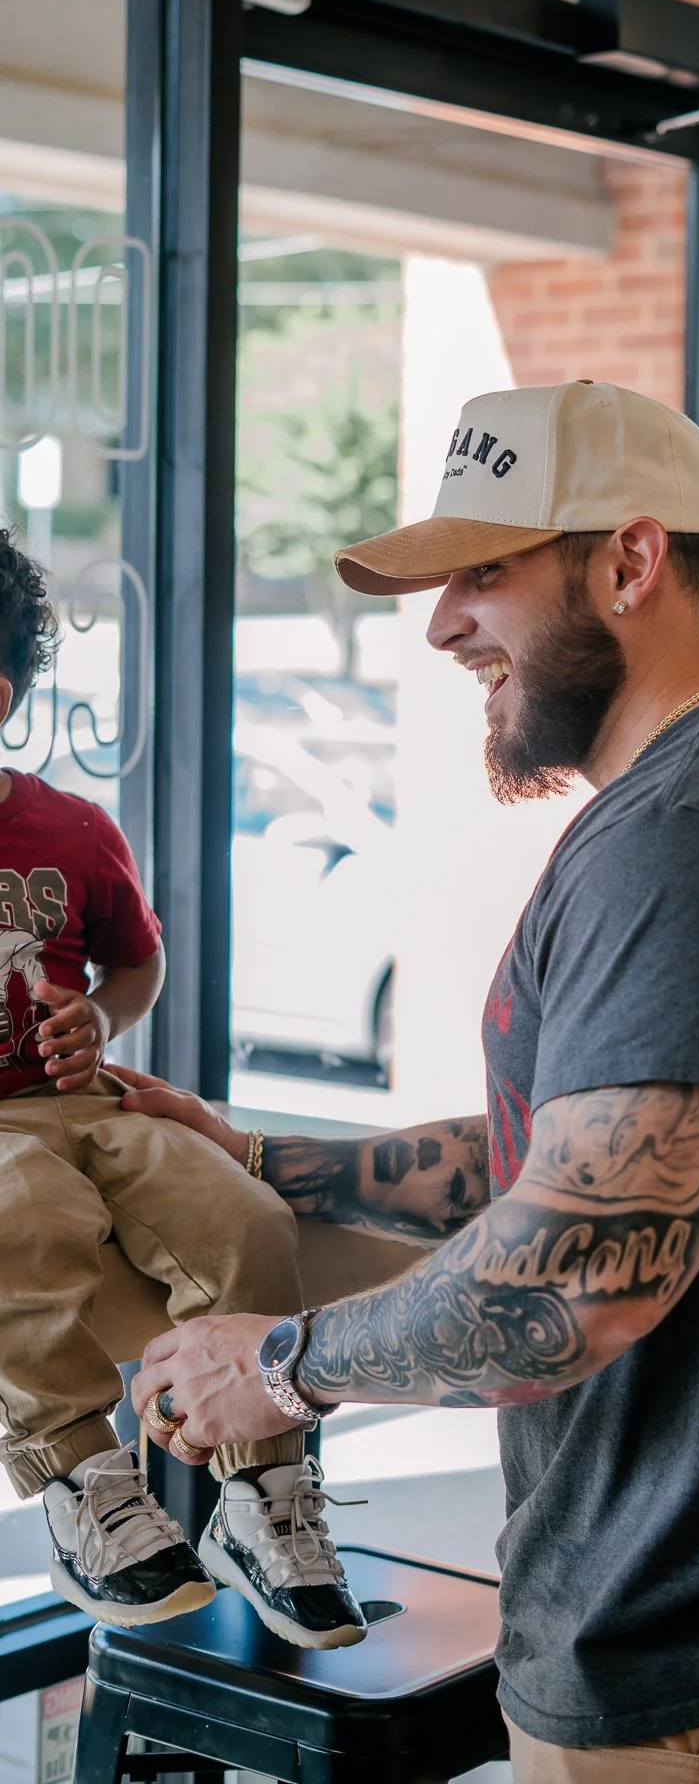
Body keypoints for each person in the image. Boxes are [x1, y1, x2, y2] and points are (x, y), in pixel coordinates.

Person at [127, 381, 699, 1781]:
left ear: (630, 561)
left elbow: (580, 1268)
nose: (448, 621)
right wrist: (259, 1161)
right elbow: (566, 1155)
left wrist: (282, 1370)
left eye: (485, 572)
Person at [0, 530, 364, 1648]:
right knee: (27, 1216)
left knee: (242, 1214)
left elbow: (137, 962)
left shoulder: (70, 828)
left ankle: (262, 1495)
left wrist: (98, 1016)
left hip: (92, 1101)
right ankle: (84, 1482)